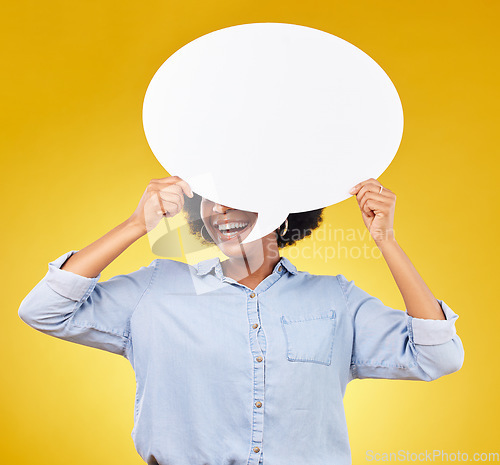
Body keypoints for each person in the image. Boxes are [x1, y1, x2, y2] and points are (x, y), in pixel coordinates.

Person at [18, 175, 464, 465]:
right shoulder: (155, 289)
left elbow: (438, 356)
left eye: (240, 200)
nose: (221, 213)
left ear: (284, 213)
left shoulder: (335, 298)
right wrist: (137, 223)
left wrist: (386, 241)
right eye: (213, 201)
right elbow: (43, 310)